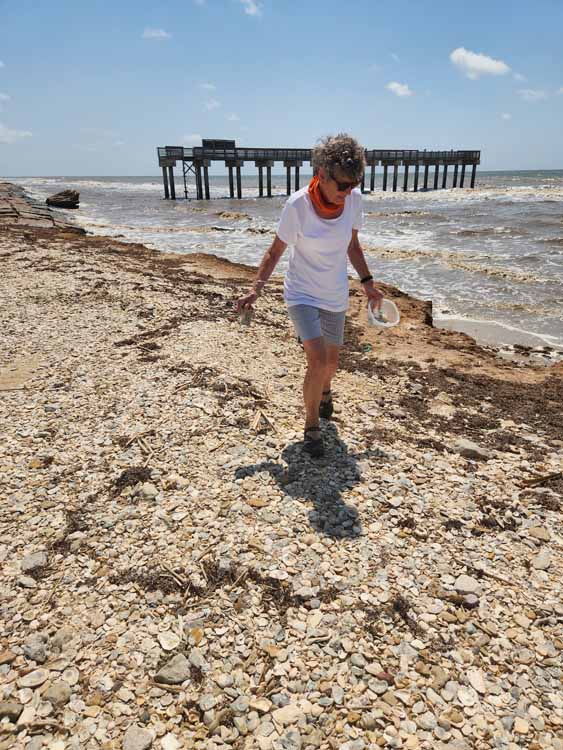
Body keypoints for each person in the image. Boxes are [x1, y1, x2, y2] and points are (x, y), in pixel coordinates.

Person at [235, 133, 383, 457]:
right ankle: (312, 427)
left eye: (353, 185)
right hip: (301, 292)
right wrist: (254, 290)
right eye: (342, 185)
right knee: (316, 360)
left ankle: (326, 390)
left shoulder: (354, 200)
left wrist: (368, 282)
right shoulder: (298, 205)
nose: (347, 192)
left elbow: (352, 245)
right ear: (322, 174)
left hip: (334, 293)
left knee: (331, 363)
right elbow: (275, 252)